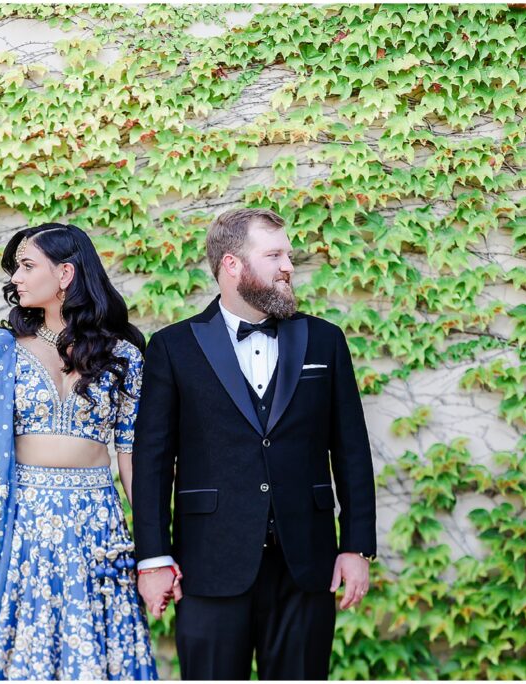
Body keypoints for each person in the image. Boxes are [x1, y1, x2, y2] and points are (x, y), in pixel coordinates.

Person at [132, 207, 377, 680]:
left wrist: (357, 546)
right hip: (208, 563)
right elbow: (153, 462)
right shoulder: (173, 347)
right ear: (232, 265)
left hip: (306, 562)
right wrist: (154, 557)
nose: (289, 265)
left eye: (289, 253)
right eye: (275, 255)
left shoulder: (324, 341)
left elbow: (351, 450)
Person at [0, 223, 159, 680]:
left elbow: (129, 456)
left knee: (95, 649)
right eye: (16, 270)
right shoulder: (3, 352)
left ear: (65, 274)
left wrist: (152, 547)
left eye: (27, 267)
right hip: (21, 527)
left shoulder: (123, 356)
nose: (17, 280)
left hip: (96, 527)